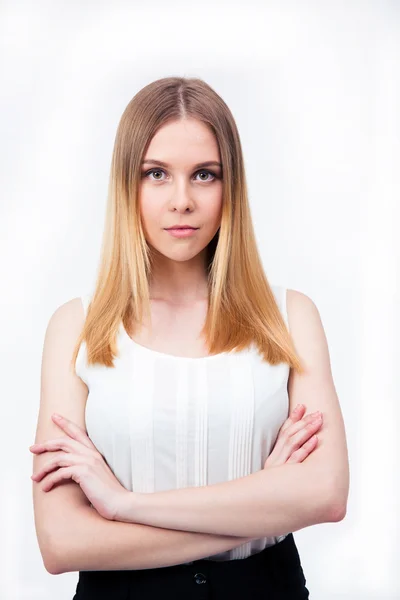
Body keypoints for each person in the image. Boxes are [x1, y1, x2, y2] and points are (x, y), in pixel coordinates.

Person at [31, 76, 349, 599]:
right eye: (156, 174)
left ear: (232, 187)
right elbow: (61, 542)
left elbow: (326, 494)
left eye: (204, 174)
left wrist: (124, 505)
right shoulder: (77, 328)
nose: (182, 200)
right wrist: (265, 500)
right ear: (126, 185)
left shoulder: (291, 317)